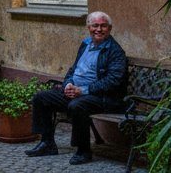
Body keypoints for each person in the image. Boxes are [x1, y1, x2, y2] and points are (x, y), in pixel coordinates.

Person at [24, 12, 127, 165]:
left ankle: (83, 150)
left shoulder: (116, 52)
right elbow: (73, 69)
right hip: (78, 92)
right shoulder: (86, 43)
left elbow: (113, 82)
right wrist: (68, 85)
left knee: (77, 105)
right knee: (41, 98)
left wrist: (82, 91)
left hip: (103, 98)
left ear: (109, 28)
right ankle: (47, 144)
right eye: (95, 26)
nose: (99, 29)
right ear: (89, 28)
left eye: (103, 26)